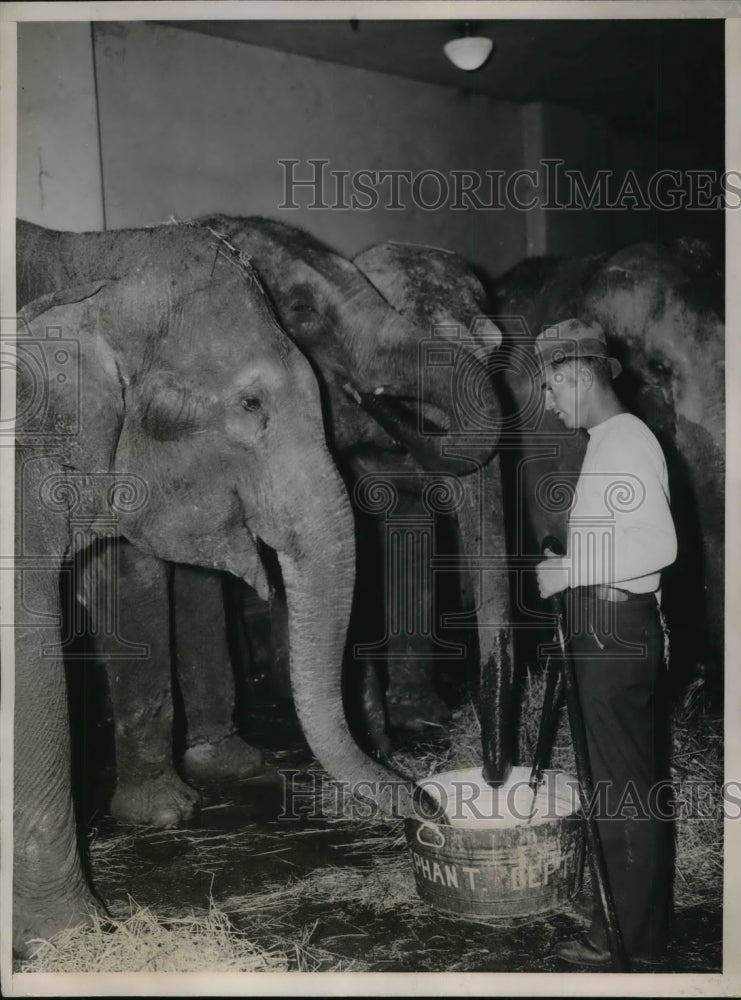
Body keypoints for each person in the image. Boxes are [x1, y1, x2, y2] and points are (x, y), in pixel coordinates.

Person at [533, 318, 677, 967]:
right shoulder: (610, 440)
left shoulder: (626, 441)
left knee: (622, 786)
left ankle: (629, 943)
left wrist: (569, 570)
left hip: (616, 631)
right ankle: (618, 921)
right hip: (604, 626)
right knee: (613, 783)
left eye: (548, 387)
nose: (547, 402)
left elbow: (657, 545)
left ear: (570, 376)